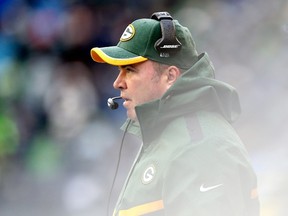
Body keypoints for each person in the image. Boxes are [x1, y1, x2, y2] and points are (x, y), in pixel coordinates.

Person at [90, 11, 259, 216]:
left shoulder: (201, 146)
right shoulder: (173, 137)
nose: (117, 83)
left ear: (170, 76)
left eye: (130, 70)